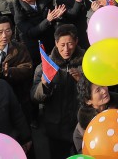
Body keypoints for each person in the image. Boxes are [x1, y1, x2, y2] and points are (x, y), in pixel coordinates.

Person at [32, 24, 84, 159]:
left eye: (70, 44)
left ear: (76, 41)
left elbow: (97, 90)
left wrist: (82, 81)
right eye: (62, 45)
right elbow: (34, 96)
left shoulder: (87, 62)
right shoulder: (46, 65)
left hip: (81, 125)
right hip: (55, 127)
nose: (66, 49)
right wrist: (44, 84)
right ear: (56, 43)